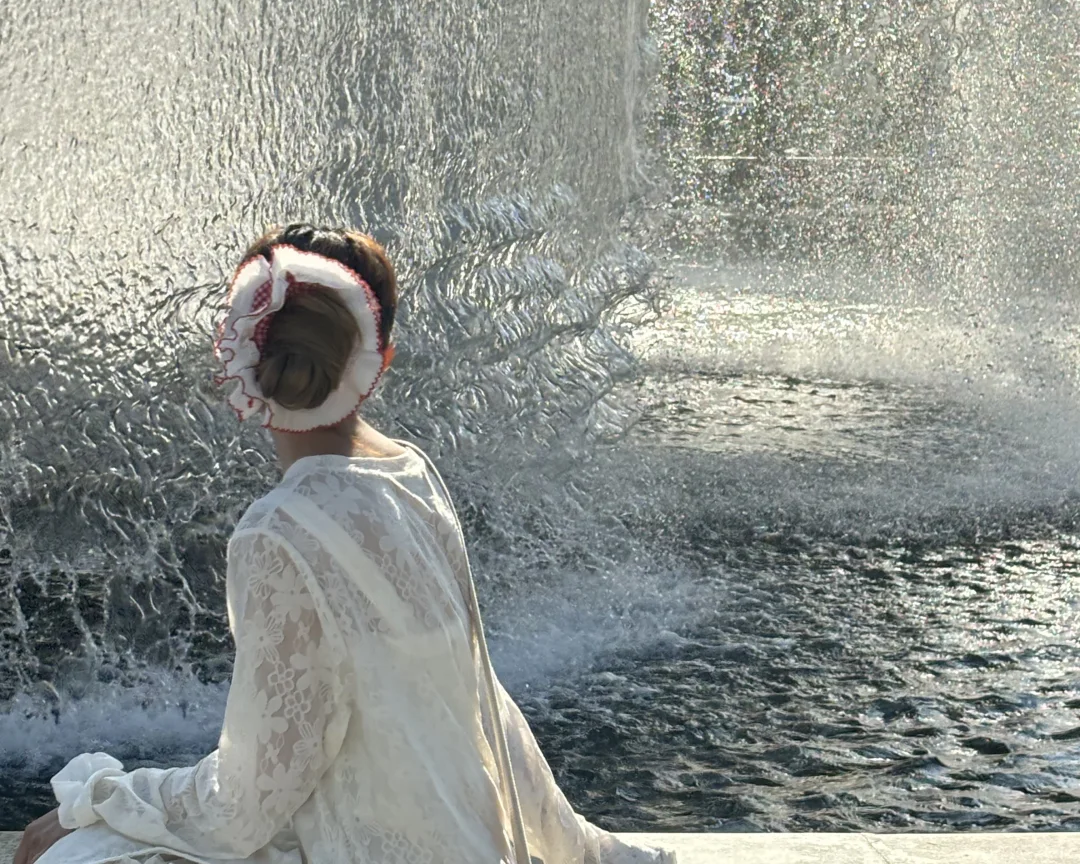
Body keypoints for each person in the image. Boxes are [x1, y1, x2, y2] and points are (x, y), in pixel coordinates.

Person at [15, 223, 676, 864]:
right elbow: (482, 702)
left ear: (237, 359)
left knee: (69, 851)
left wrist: (108, 798)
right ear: (375, 363)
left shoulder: (279, 531)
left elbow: (248, 803)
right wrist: (572, 843)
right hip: (460, 846)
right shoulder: (414, 477)